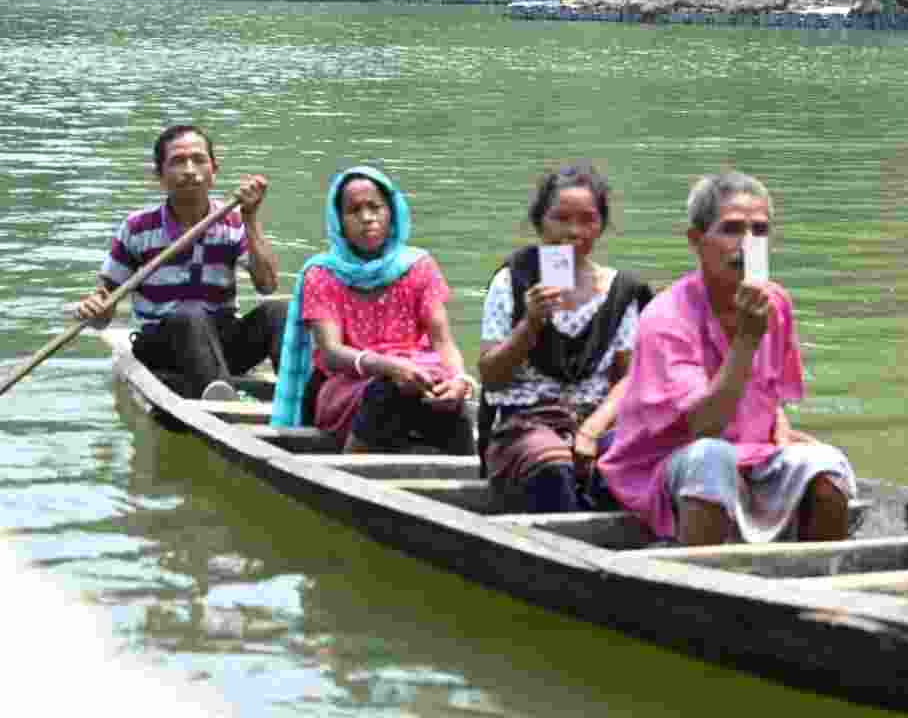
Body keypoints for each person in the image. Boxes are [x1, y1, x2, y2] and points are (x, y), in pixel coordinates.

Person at [596, 171, 855, 546]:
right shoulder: (666, 316)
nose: (747, 244)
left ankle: (822, 582)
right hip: (666, 463)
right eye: (731, 229)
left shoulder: (775, 302)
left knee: (827, 464)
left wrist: (781, 435)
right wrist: (746, 341)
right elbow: (705, 426)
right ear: (697, 241)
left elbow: (770, 395)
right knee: (711, 458)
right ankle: (702, 585)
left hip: (751, 453)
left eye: (760, 232)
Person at [478, 162, 652, 513]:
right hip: (525, 422)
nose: (573, 232)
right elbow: (492, 376)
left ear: (601, 226)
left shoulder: (621, 292)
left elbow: (627, 380)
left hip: (593, 421)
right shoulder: (513, 281)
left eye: (587, 220)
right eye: (561, 219)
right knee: (553, 461)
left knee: (641, 457)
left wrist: (591, 431)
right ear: (540, 223)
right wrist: (531, 323)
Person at [269, 165, 474, 455]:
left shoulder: (419, 266)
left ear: (392, 213)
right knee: (387, 391)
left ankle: (470, 476)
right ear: (339, 220)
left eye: (375, 207)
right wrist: (388, 366)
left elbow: (443, 342)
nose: (367, 218)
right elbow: (331, 352)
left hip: (416, 376)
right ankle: (348, 471)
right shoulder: (322, 273)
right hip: (346, 385)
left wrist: (458, 381)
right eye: (354, 211)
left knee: (450, 402)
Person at [74, 124, 287, 401]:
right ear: (159, 175)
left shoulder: (234, 222)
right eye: (177, 161)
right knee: (189, 314)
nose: (189, 170)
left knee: (279, 311)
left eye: (199, 159)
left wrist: (251, 218)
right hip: (165, 348)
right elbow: (103, 314)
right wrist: (95, 308)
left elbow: (268, 285)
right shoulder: (138, 228)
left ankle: (300, 392)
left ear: (214, 170)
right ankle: (222, 403)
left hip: (221, 345)